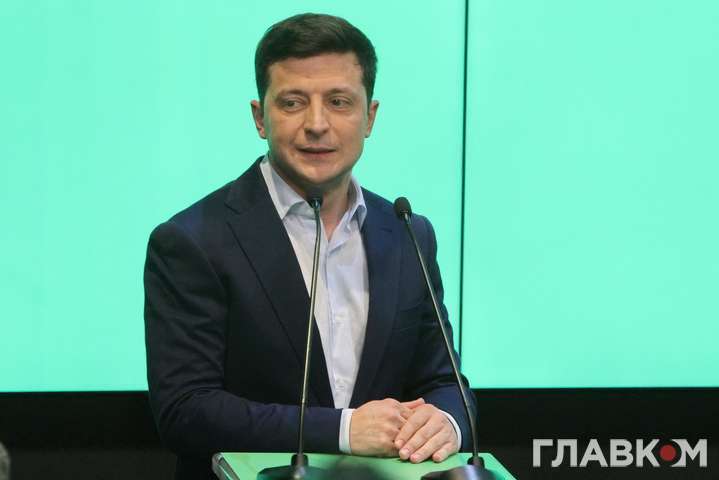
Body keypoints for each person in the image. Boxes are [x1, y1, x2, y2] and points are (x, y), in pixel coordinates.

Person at [143, 13, 476, 479]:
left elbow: (446, 383)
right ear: (260, 117)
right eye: (293, 102)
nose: (317, 124)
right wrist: (343, 430)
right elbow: (186, 411)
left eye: (339, 102)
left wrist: (445, 422)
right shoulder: (192, 241)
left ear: (369, 117)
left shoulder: (407, 233)